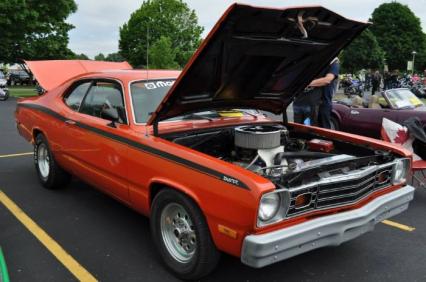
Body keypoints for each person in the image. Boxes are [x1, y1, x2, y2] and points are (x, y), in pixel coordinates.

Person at [307, 57, 340, 129]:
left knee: (323, 132)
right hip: (311, 102)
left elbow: (327, 80)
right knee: (309, 130)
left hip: (323, 104)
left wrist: (306, 84)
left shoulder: (334, 63)